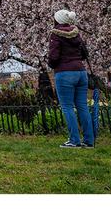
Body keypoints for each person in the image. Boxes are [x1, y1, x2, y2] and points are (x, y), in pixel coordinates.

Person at [47, 9, 94, 148]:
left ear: (57, 20)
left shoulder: (56, 34)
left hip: (64, 73)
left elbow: (53, 57)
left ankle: (74, 140)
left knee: (67, 107)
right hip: (81, 72)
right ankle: (89, 141)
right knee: (82, 107)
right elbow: (85, 53)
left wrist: (52, 64)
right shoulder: (76, 33)